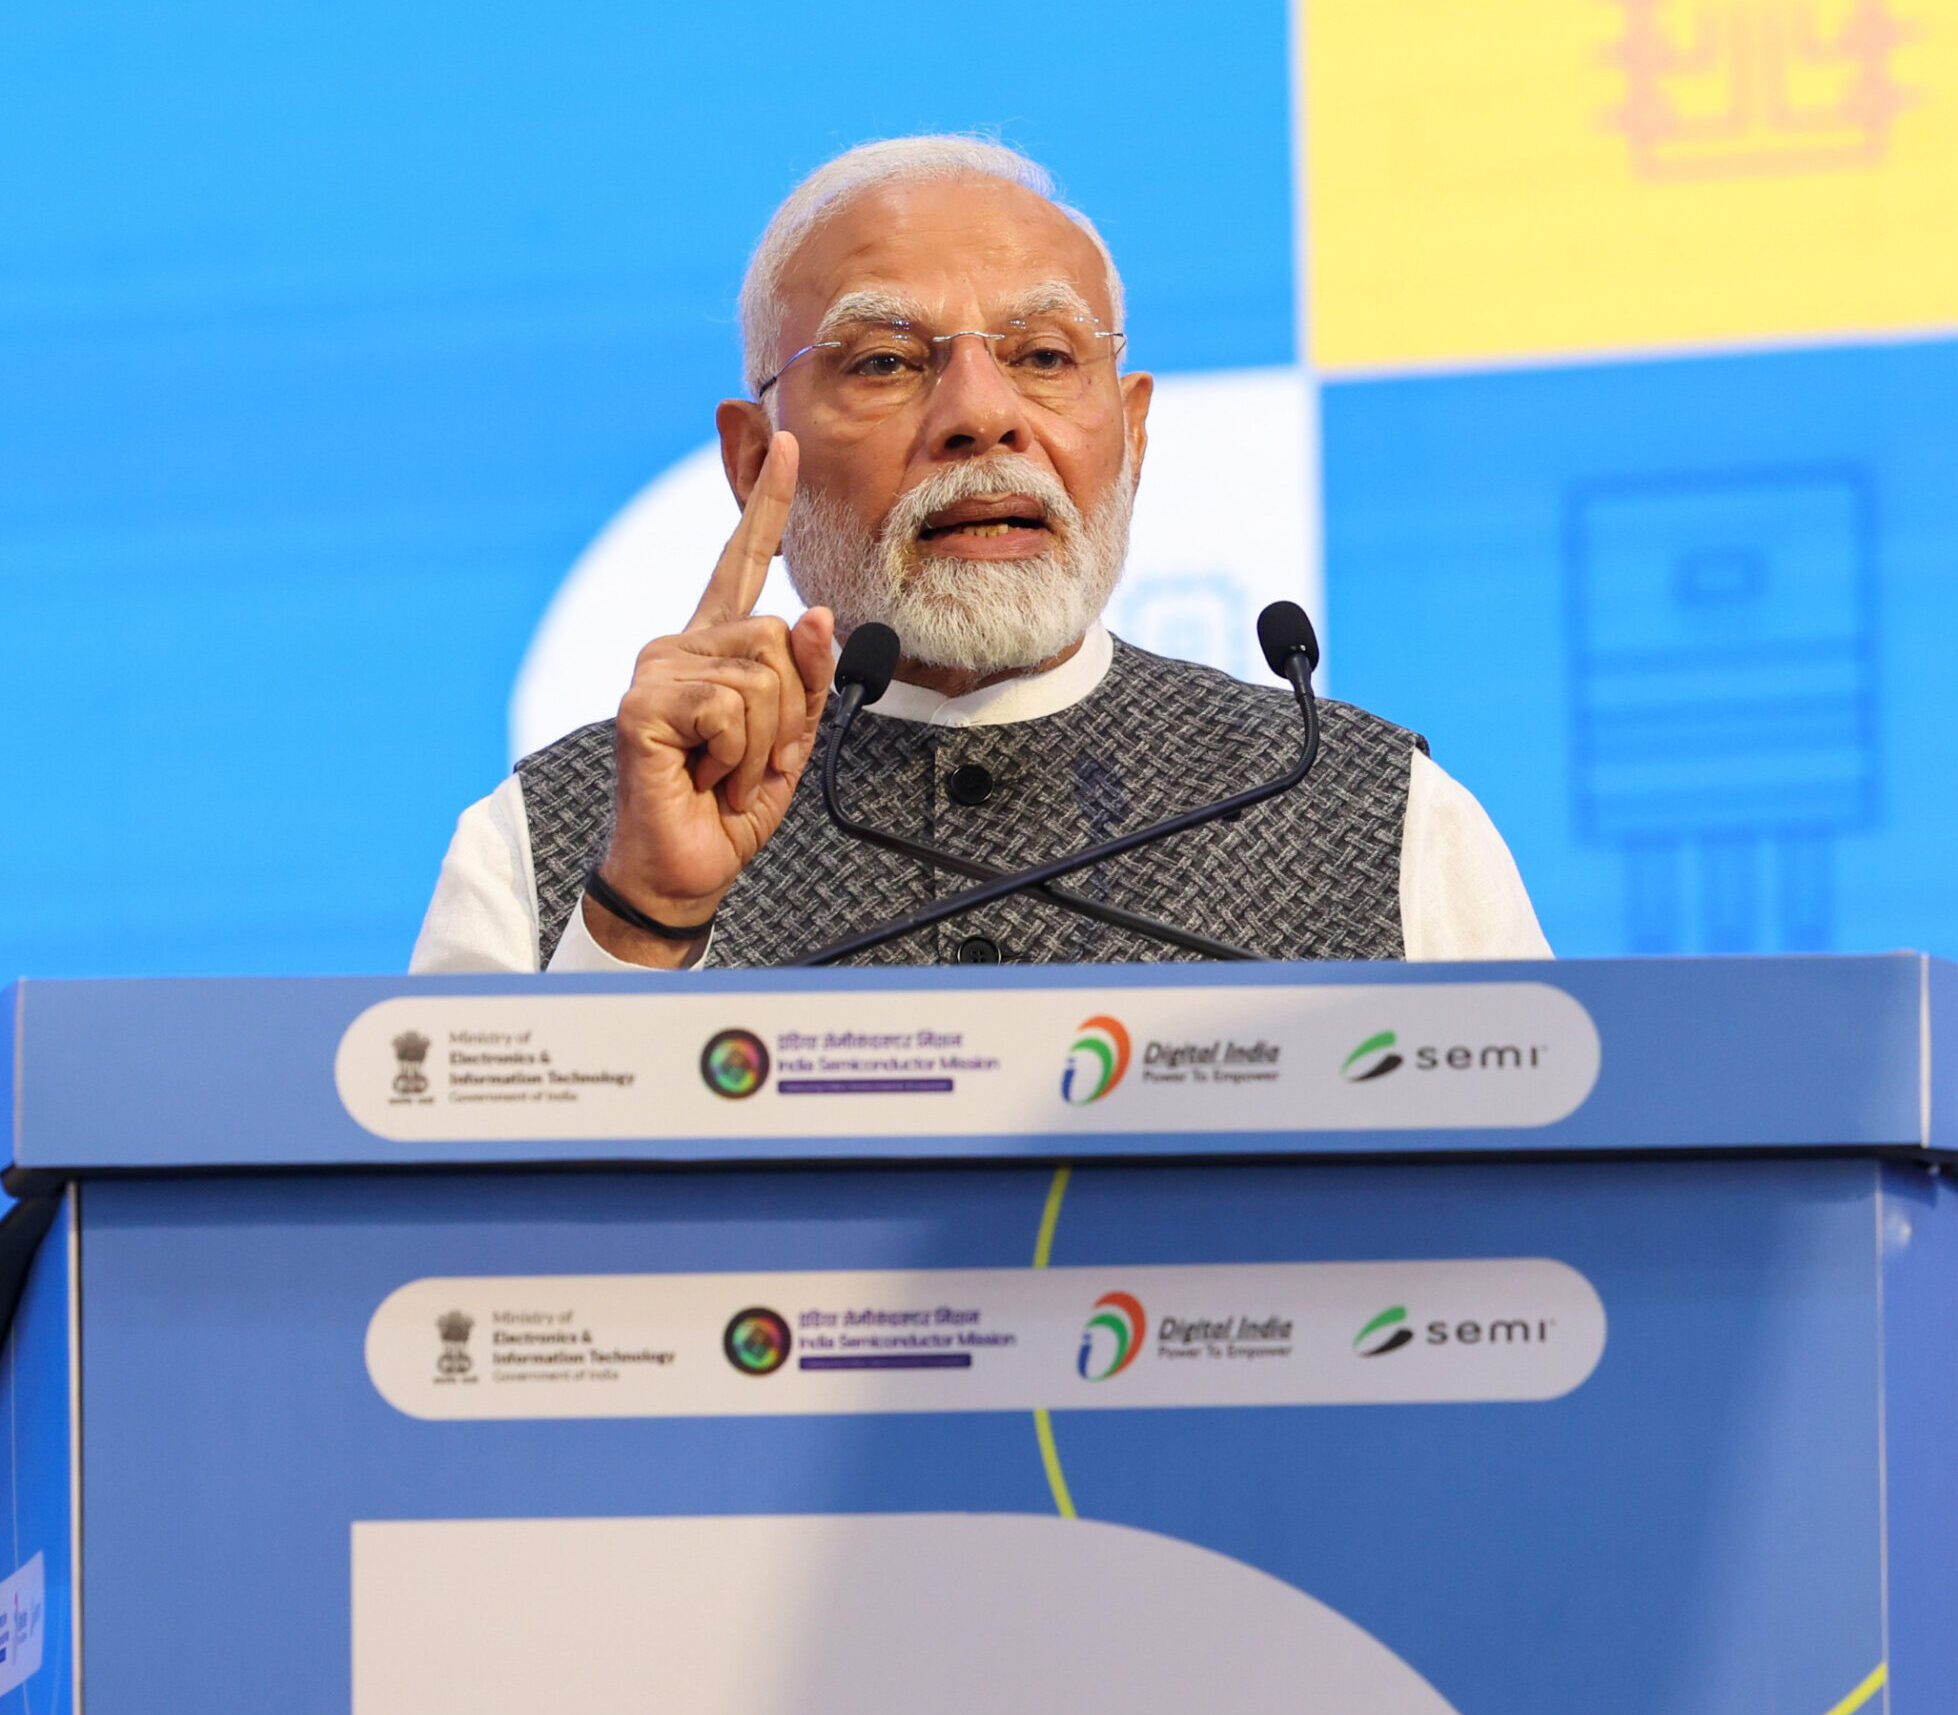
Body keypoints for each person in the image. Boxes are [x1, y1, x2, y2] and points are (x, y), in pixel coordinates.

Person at [412, 136, 1549, 974]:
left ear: (1132, 430)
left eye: (1045, 356)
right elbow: (455, 1267)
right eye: (886, 362)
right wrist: (642, 919)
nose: (980, 415)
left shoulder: (1378, 815)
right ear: (757, 454)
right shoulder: (539, 842)